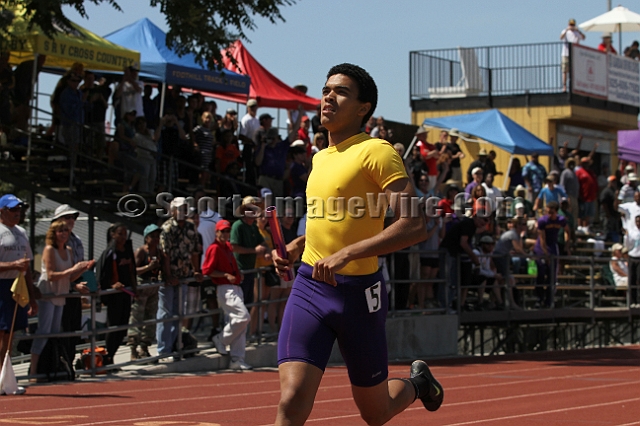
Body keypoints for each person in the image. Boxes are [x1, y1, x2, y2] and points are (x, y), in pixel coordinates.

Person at [271, 64, 443, 426]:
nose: (328, 97)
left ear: (364, 108)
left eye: (340, 91)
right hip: (310, 288)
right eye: (326, 89)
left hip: (359, 295)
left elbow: (414, 225)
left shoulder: (377, 152)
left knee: (375, 412)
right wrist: (297, 246)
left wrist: (347, 254)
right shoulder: (319, 157)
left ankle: (418, 383)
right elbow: (328, 220)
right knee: (292, 401)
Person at [30, 220, 93, 377]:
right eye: (61, 231)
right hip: (49, 293)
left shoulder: (69, 250)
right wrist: (73, 269)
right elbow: (51, 275)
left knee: (55, 332)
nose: (64, 233)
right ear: (54, 233)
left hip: (61, 293)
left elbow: (69, 277)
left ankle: (52, 366)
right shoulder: (49, 250)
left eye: (66, 230)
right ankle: (33, 370)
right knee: (44, 332)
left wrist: (82, 269)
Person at [0, 195, 38, 393]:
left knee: (10, 333)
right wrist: (12, 265)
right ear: (2, 211)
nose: (17, 213)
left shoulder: (22, 232)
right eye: (13, 209)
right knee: (1, 332)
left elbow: (28, 267)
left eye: (20, 210)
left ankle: (5, 378)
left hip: (18, 284)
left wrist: (32, 297)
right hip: (1, 284)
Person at [157, 197, 203, 362]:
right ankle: (163, 351)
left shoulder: (191, 227)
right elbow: (165, 254)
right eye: (179, 209)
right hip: (169, 278)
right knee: (166, 313)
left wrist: (196, 271)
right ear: (173, 210)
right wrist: (169, 276)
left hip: (183, 276)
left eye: (184, 208)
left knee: (178, 314)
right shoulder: (167, 228)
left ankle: (176, 347)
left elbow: (195, 252)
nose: (182, 212)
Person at [202, 219, 251, 370]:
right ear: (216, 232)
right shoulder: (214, 248)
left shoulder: (227, 247)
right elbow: (207, 270)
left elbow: (231, 265)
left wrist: (237, 274)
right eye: (222, 231)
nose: (225, 234)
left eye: (227, 231)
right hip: (225, 288)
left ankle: (237, 359)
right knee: (243, 317)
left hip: (235, 286)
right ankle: (221, 339)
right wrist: (225, 275)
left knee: (240, 324)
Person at [96, 223, 137, 365]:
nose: (123, 237)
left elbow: (132, 270)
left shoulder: (127, 250)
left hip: (126, 294)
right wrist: (112, 285)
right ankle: (108, 357)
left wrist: (135, 287)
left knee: (123, 326)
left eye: (125, 234)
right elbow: (102, 275)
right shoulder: (109, 252)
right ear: (113, 235)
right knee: (113, 326)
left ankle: (111, 354)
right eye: (120, 234)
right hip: (114, 296)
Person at [128, 224, 164, 360]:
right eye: (152, 237)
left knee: (150, 318)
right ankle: (133, 347)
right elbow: (133, 270)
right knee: (137, 317)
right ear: (146, 238)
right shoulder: (141, 252)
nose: (155, 239)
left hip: (154, 287)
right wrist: (148, 267)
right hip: (141, 286)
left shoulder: (159, 252)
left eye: (157, 236)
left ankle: (145, 346)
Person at [533, 201, 570, 308]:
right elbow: (542, 239)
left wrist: (567, 244)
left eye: (551, 212)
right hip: (541, 248)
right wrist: (545, 254)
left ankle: (549, 300)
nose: (549, 215)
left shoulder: (561, 220)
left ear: (556, 212)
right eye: (547, 212)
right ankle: (539, 299)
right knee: (541, 273)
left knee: (552, 275)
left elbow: (567, 230)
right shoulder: (542, 221)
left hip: (553, 246)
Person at [133, 116, 160, 194]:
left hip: (153, 159)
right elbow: (141, 147)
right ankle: (144, 194)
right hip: (143, 158)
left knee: (152, 177)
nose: (142, 125)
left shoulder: (151, 132)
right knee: (145, 177)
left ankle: (150, 193)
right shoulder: (137, 136)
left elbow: (155, 140)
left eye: (143, 123)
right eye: (140, 124)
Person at [560, 19, 585, 91]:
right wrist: (566, 30)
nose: (571, 26)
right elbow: (561, 37)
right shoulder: (565, 31)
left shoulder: (577, 33)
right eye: (570, 25)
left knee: (574, 70)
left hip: (574, 53)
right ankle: (564, 86)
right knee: (565, 70)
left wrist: (578, 31)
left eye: (573, 25)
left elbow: (583, 37)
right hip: (565, 53)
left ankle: (573, 86)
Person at [575, 157, 598, 234]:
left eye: (587, 163)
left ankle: (586, 227)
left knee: (589, 214)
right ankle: (580, 227)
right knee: (582, 213)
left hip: (591, 197)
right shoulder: (579, 172)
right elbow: (576, 184)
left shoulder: (591, 172)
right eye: (585, 163)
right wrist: (579, 194)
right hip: (583, 196)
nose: (586, 164)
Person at [601, 176, 621, 243]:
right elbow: (604, 203)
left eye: (615, 182)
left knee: (614, 231)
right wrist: (608, 214)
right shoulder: (606, 191)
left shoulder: (614, 191)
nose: (614, 183)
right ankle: (606, 245)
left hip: (614, 215)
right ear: (609, 182)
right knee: (607, 231)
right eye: (613, 182)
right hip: (607, 215)